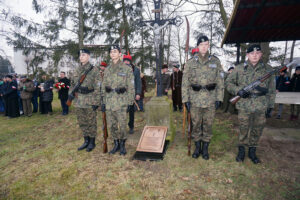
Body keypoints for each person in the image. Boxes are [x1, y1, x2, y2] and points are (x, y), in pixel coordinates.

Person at [225, 44, 276, 164]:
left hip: (261, 105)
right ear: (247, 55)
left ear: (261, 54)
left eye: (257, 53)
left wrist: (270, 106)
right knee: (243, 129)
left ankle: (252, 151)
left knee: (257, 129)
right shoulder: (239, 68)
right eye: (252, 53)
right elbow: (228, 83)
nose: (255, 56)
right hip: (244, 105)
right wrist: (239, 91)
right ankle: (241, 150)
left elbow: (272, 90)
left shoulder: (268, 69)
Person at [182, 35, 224, 160]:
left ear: (208, 45)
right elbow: (185, 83)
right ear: (197, 47)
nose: (204, 47)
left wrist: (219, 98)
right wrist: (185, 100)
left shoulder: (215, 62)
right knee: (195, 125)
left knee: (208, 125)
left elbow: (220, 81)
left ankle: (205, 149)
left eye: (206, 44)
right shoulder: (190, 63)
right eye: (201, 45)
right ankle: (197, 148)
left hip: (210, 99)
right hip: (195, 100)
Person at [101, 45, 135, 155]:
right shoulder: (107, 69)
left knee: (123, 124)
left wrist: (130, 102)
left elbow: (131, 86)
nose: (113, 53)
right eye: (111, 52)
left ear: (120, 53)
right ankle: (115, 143)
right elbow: (103, 85)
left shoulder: (127, 69)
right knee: (112, 125)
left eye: (115, 51)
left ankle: (122, 144)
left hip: (121, 101)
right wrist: (103, 101)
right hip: (110, 101)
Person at [72, 49, 101, 152]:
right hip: (79, 100)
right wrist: (71, 96)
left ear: (88, 56)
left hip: (90, 99)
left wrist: (96, 102)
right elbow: (72, 85)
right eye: (80, 55)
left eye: (83, 55)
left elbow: (98, 87)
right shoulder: (76, 70)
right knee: (82, 121)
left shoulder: (94, 70)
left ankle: (92, 142)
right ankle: (86, 140)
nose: (81, 57)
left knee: (91, 122)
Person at [123, 54, 142, 134]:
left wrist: (138, 93)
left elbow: (138, 82)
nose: (126, 62)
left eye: (128, 61)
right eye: (125, 61)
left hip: (131, 94)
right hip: (121, 94)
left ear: (130, 62)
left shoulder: (135, 70)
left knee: (131, 111)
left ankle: (131, 126)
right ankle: (122, 127)